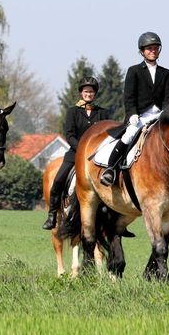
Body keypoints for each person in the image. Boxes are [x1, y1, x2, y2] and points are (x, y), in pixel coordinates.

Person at [99, 32, 169, 186]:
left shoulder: (166, 73)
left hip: (160, 115)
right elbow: (129, 97)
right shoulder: (134, 71)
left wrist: (168, 114)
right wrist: (132, 114)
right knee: (129, 135)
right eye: (149, 49)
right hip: (140, 116)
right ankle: (110, 168)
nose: (152, 51)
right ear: (142, 51)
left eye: (155, 48)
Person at [44, 77, 109, 230]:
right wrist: (82, 148)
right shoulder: (72, 112)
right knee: (58, 181)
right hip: (76, 153)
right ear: (81, 93)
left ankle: (117, 221)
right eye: (86, 91)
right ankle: (52, 214)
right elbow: (69, 134)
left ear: (95, 94)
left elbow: (108, 134)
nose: (89, 94)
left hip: (98, 156)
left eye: (91, 92)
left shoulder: (102, 113)